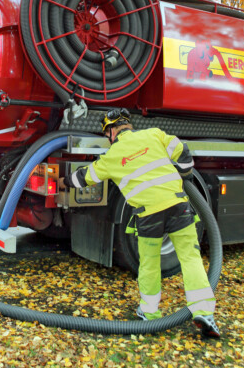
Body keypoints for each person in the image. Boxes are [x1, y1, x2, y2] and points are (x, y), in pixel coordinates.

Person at [60, 108, 220, 338]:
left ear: (112, 131)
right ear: (128, 125)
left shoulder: (111, 157)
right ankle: (204, 311)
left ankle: (149, 313)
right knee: (190, 257)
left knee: (149, 264)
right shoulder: (153, 134)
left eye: (107, 134)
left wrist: (64, 181)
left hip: (148, 215)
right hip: (178, 206)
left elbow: (84, 177)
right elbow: (183, 150)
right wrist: (184, 176)